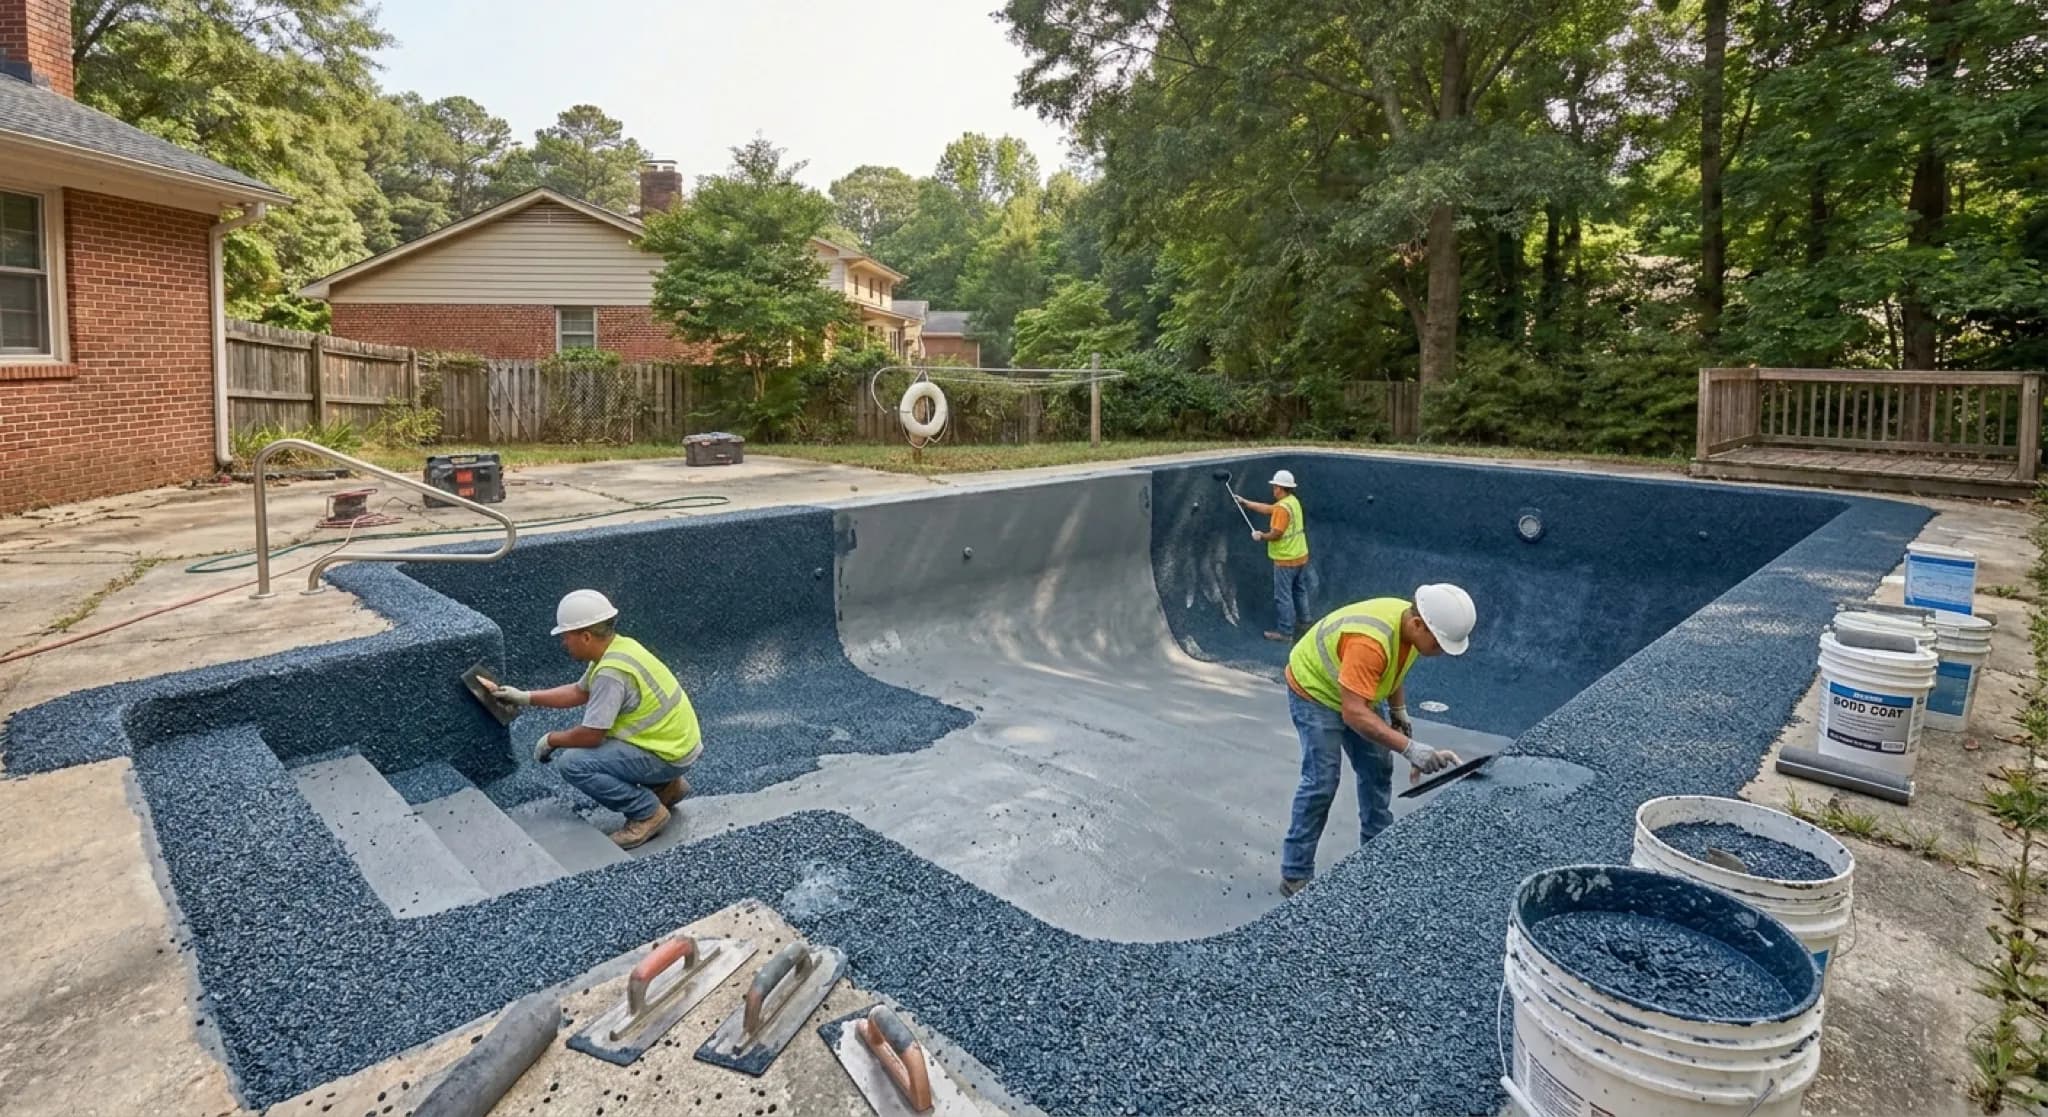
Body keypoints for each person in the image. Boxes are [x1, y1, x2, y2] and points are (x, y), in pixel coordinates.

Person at [1277, 584, 1476, 896]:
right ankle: (1295, 874)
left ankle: (1376, 851)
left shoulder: (1409, 626)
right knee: (1321, 782)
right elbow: (1354, 714)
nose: (1440, 652)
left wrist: (1398, 712)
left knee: (1377, 768)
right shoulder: (1371, 643)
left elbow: (1392, 669)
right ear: (1418, 625)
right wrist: (1411, 749)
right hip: (1314, 691)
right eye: (1439, 644)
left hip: (1354, 690)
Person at [488, 589, 703, 849]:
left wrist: (552, 740)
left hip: (668, 754)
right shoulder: (620, 648)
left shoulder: (611, 673)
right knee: (596, 754)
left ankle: (647, 812)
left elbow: (591, 736)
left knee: (574, 764)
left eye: (566, 636)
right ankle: (668, 788)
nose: (564, 643)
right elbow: (579, 692)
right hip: (677, 745)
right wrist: (525, 697)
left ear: (586, 636)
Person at [1234, 469, 1312, 641]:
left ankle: (1285, 632)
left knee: (1283, 596)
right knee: (1299, 590)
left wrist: (1261, 536)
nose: (1273, 489)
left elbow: (1276, 533)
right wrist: (1246, 503)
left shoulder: (1283, 509)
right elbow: (1270, 509)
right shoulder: (1292, 502)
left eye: (1275, 486)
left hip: (1286, 559)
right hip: (1301, 555)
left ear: (1279, 488)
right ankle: (1305, 622)